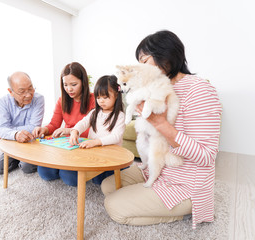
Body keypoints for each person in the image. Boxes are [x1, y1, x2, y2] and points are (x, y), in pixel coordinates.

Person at [101, 30, 222, 229]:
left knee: (113, 206)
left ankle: (182, 212)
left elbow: (207, 156)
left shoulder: (200, 90)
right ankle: (148, 194)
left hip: (184, 184)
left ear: (165, 55)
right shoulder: (157, 87)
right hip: (157, 169)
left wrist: (160, 124)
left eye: (143, 60)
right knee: (108, 186)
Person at [32, 62, 95, 186]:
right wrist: (44, 129)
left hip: (85, 146)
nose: (69, 89)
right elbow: (54, 125)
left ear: (83, 82)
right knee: (45, 173)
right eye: (65, 85)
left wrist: (70, 130)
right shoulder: (62, 100)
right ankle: (63, 167)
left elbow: (94, 131)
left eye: (74, 84)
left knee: (70, 179)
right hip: (67, 145)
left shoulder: (94, 100)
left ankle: (70, 169)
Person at [69, 75, 125, 184]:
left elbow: (116, 136)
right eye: (98, 97)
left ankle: (122, 169)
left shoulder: (120, 116)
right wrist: (75, 131)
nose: (101, 101)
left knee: (100, 180)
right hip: (95, 155)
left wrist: (96, 142)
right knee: (94, 178)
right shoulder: (95, 112)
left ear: (116, 95)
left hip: (111, 156)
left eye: (105, 97)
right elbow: (83, 123)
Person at [0, 71, 45, 175]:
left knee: (27, 167)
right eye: (22, 91)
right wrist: (15, 135)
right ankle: (17, 159)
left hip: (30, 141)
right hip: (11, 141)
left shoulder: (39, 99)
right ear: (11, 92)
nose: (28, 94)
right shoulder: (3, 102)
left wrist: (8, 131)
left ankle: (21, 161)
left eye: (30, 88)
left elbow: (34, 127)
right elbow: (1, 128)